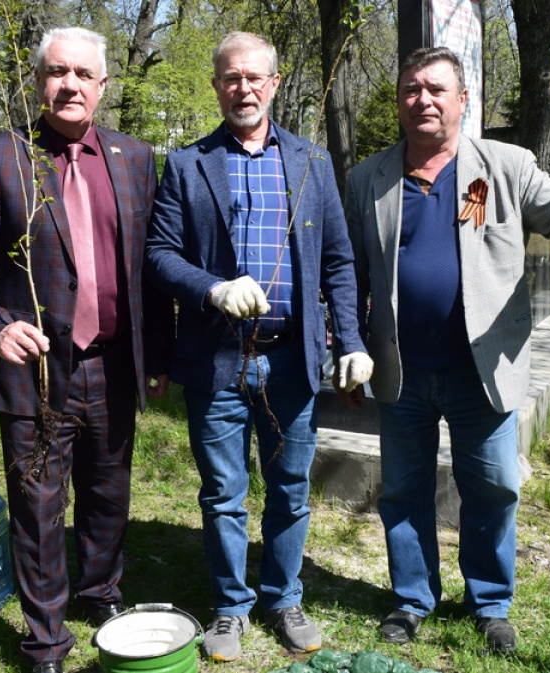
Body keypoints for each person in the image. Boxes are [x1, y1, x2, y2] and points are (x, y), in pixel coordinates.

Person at [341, 47, 550, 656]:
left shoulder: (503, 166)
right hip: (401, 371)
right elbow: (350, 270)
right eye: (410, 89)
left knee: (491, 488)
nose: (422, 100)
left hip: (483, 368)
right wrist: (348, 346)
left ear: (463, 100)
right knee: (403, 491)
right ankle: (411, 598)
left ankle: (488, 602)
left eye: (436, 89)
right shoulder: (368, 178)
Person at [0, 27, 173, 673]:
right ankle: (45, 640)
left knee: (108, 492)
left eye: (83, 74)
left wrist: (157, 356)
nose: (70, 84)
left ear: (102, 86)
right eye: (57, 72)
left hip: (112, 364)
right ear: (40, 80)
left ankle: (100, 592)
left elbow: (148, 269)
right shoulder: (2, 156)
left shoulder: (133, 157)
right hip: (37, 372)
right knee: (39, 504)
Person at [145, 31, 373, 663]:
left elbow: (338, 262)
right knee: (223, 493)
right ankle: (229, 607)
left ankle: (283, 596)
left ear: (273, 84)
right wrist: (213, 289)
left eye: (254, 78)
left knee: (290, 487)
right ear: (216, 85)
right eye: (229, 78)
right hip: (217, 360)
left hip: (292, 362)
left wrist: (350, 340)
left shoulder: (311, 163)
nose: (242, 88)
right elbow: (159, 256)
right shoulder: (187, 164)